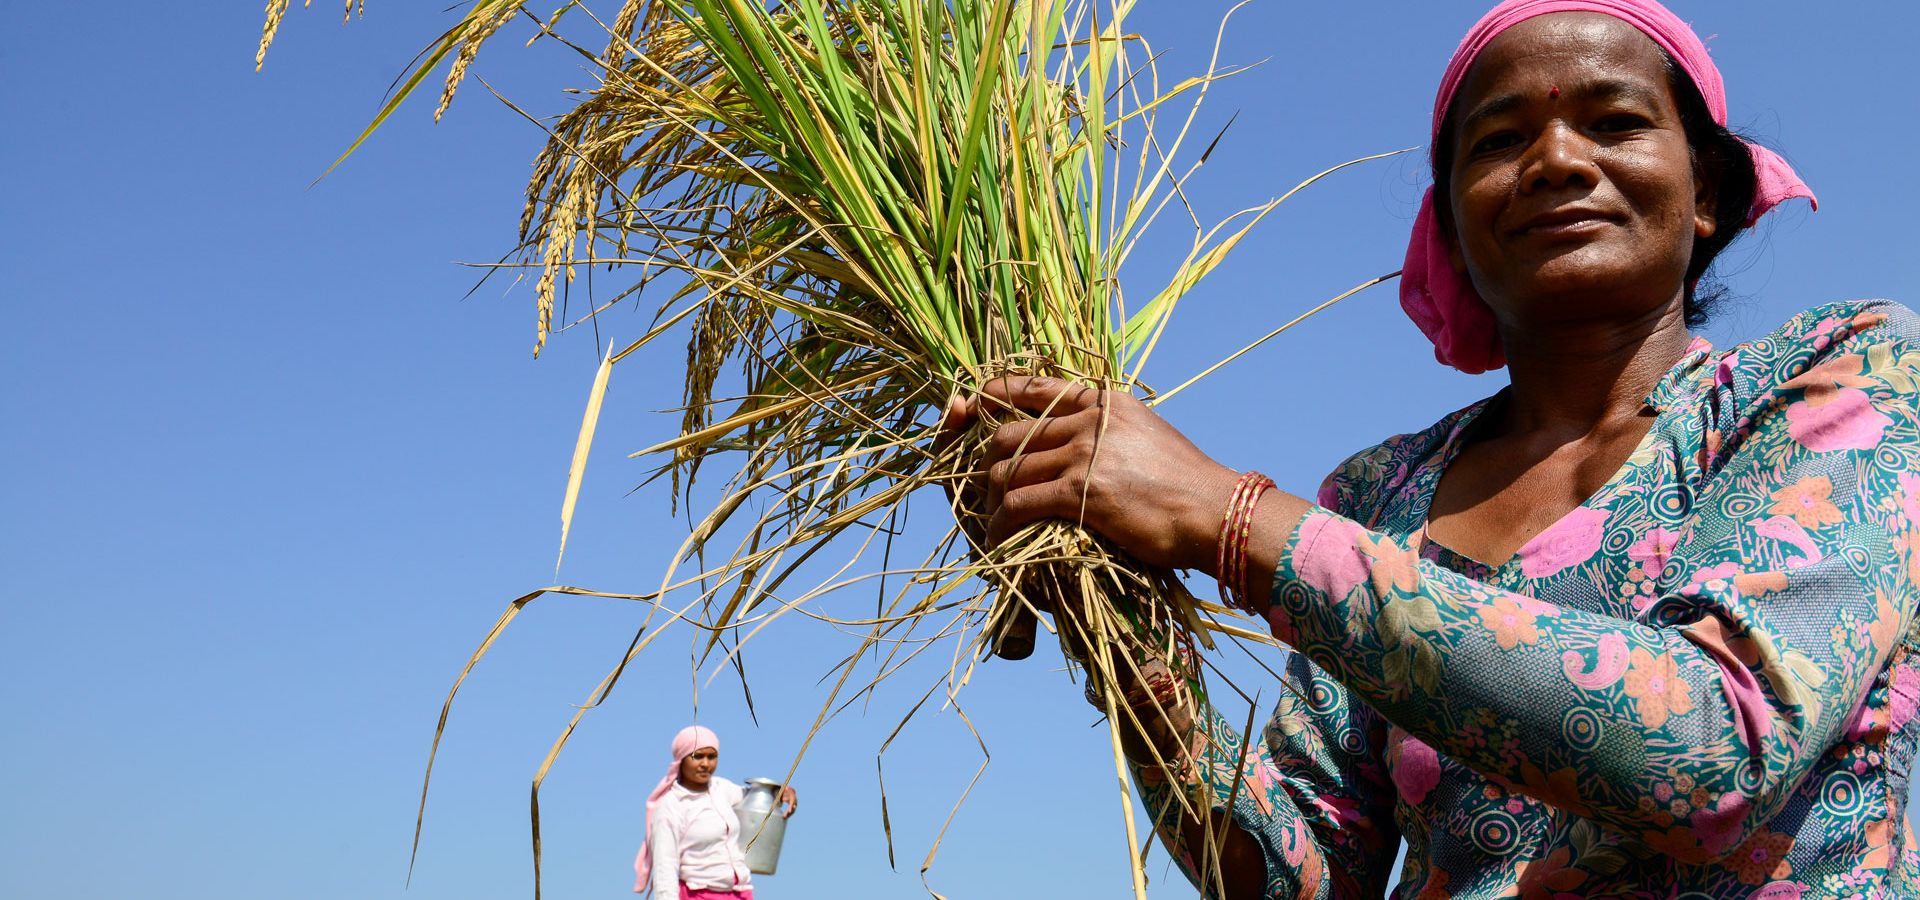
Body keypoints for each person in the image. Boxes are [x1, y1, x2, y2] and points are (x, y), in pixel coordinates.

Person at [949, 0, 1919, 896]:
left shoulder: (1838, 378)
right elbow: (1305, 878)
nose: (1556, 159)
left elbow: (1717, 741)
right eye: (1500, 141)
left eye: (1615, 122)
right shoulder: (1384, 495)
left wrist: (1228, 518)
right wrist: (1109, 603)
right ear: (1449, 230)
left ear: (1706, 191)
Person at [634, 725, 798, 898]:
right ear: (681, 759)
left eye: (712, 757)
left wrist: (783, 793)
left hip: (739, 893)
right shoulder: (671, 807)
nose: (705, 764)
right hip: (698, 894)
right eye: (697, 757)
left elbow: (754, 797)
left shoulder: (721, 789)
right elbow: (665, 867)